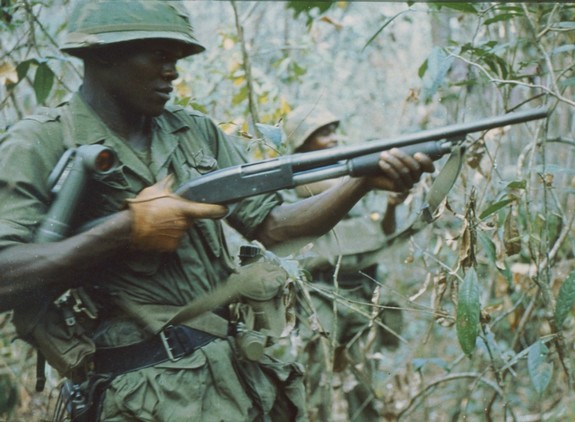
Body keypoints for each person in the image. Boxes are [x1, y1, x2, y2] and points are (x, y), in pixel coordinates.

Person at [0, 1, 433, 421]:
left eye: (176, 58)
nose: (172, 70)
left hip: (232, 378)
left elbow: (275, 226)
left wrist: (359, 181)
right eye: (158, 56)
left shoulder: (195, 132)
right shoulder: (40, 142)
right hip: (138, 396)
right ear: (104, 55)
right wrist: (125, 229)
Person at [283, 104, 410, 421]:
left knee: (363, 385)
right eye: (323, 134)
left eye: (333, 131)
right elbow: (317, 189)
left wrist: (392, 204)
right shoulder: (299, 180)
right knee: (317, 382)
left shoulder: (348, 177)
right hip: (322, 296)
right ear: (302, 142)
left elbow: (380, 236)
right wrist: (367, 176)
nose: (333, 139)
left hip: (360, 294)